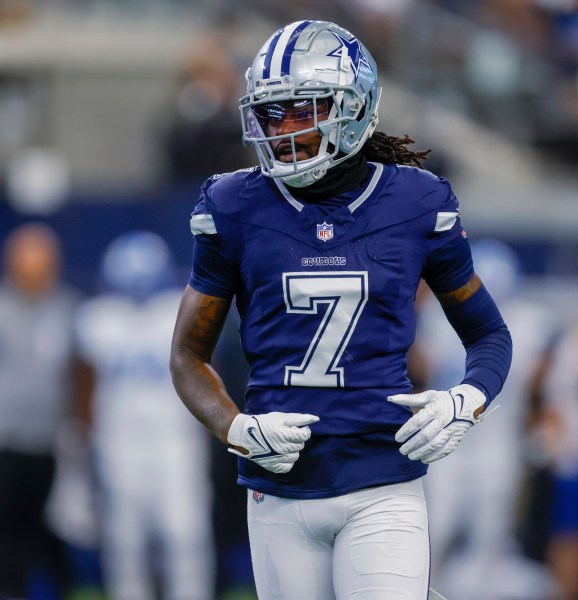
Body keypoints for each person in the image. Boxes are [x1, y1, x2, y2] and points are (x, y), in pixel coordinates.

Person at [170, 20, 512, 600]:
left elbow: (489, 336)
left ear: (354, 107)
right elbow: (187, 355)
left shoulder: (415, 200)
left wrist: (466, 401)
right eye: (272, 113)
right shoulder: (232, 205)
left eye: (303, 110)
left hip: (383, 482)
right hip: (278, 490)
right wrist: (236, 427)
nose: (283, 131)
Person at [75, 231, 215, 600]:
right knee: (124, 537)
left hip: (175, 439)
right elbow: (84, 388)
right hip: (119, 441)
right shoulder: (98, 319)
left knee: (185, 531)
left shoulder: (179, 310)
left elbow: (206, 375)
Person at [417, 239, 557, 600]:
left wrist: (540, 421)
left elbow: (539, 383)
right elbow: (422, 368)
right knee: (436, 526)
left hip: (498, 441)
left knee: (490, 535)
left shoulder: (529, 323)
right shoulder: (436, 315)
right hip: (446, 443)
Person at [0, 222, 80, 599]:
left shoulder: (68, 308)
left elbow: (80, 373)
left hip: (52, 439)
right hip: (6, 438)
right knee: (8, 523)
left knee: (52, 523)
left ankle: (62, 587)